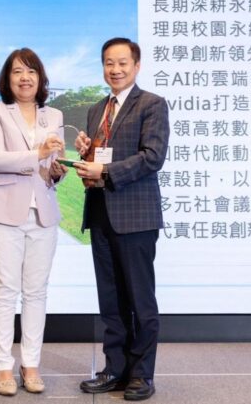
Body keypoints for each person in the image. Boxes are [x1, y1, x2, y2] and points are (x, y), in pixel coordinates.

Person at [73, 37, 169, 401]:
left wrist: (105, 170)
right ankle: (115, 369)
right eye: (109, 63)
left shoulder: (152, 104)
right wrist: (88, 155)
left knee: (140, 300)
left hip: (136, 216)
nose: (115, 69)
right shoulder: (97, 109)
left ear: (137, 65)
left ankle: (142, 375)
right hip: (100, 213)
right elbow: (102, 157)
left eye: (122, 63)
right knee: (110, 300)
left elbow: (152, 156)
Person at [0, 48, 67, 396]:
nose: (25, 78)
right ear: (8, 78)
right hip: (5, 213)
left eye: (31, 71)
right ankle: (3, 366)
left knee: (36, 292)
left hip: (43, 214)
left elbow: (52, 167)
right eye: (17, 71)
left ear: (40, 78)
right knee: (5, 290)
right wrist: (38, 154)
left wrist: (56, 169)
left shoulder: (54, 115)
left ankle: (31, 364)